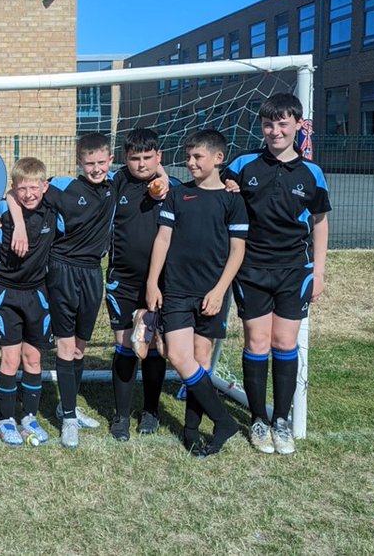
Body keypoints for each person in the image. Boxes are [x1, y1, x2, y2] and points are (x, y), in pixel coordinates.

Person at [224, 93, 331, 455]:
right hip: (251, 269)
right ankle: (257, 418)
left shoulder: (311, 173)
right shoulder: (242, 165)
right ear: (262, 126)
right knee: (256, 342)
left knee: (285, 343)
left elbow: (320, 223)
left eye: (283, 123)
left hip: (293, 271)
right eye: (269, 124)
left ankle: (280, 420)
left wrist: (318, 272)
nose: (276, 130)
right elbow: (214, 188)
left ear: (298, 125)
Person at [7, 133, 116, 449]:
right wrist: (18, 226)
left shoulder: (115, 186)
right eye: (89, 163)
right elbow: (14, 194)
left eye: (101, 162)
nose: (96, 169)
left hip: (94, 273)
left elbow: (152, 174)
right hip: (62, 271)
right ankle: (68, 418)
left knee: (80, 348)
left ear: (110, 161)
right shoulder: (63, 186)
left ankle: (66, 405)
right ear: (79, 163)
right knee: (66, 348)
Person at [145, 129, 247, 457]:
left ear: (219, 158)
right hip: (176, 289)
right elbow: (162, 239)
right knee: (178, 355)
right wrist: (152, 282)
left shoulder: (233, 199)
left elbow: (237, 251)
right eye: (188, 157)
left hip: (212, 293)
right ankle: (224, 420)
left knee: (200, 360)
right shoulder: (178, 195)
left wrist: (219, 290)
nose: (190, 163)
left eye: (197, 157)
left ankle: (192, 432)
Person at [105, 129, 175, 441]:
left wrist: (163, 176)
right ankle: (120, 415)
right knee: (124, 345)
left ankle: (150, 410)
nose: (142, 164)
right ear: (125, 159)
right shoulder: (117, 182)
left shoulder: (171, 189)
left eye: (148, 158)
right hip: (122, 279)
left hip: (159, 282)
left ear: (159, 157)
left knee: (152, 346)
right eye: (135, 158)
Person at [0, 157, 55, 446]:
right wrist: (16, 223)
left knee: (34, 358)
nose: (28, 194)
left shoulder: (53, 210)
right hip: (7, 293)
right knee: (11, 359)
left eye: (34, 187)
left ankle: (28, 416)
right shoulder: (2, 210)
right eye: (22, 188)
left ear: (45, 186)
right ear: (13, 189)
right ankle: (5, 419)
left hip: (37, 294)